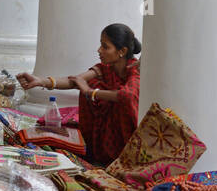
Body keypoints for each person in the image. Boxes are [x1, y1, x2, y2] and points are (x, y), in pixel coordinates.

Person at [17, 23, 141, 166]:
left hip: (127, 137)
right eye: (100, 45)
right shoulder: (106, 68)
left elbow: (127, 96)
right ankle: (98, 152)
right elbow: (76, 81)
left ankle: (120, 158)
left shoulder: (134, 70)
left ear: (122, 51)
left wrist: (91, 92)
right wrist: (40, 81)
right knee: (91, 84)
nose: (99, 50)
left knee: (98, 90)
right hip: (102, 140)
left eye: (105, 47)